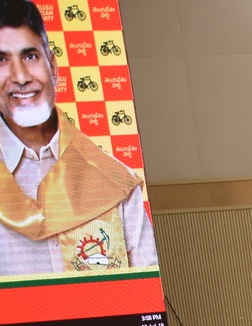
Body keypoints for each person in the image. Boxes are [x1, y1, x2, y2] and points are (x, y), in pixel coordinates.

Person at [0, 0, 158, 275]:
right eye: (0, 60)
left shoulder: (114, 181)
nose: (21, 77)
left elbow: (144, 287)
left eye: (29, 56)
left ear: (53, 65)